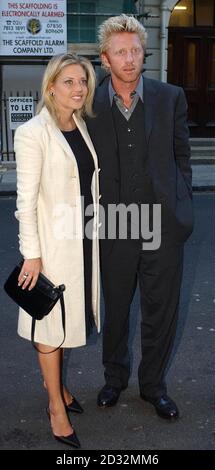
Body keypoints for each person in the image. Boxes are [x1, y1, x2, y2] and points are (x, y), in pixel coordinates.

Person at [86, 14, 193, 420]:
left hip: (162, 225)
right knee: (115, 308)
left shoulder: (170, 97)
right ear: (105, 58)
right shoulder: (90, 100)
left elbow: (182, 154)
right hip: (113, 224)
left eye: (134, 50)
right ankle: (114, 379)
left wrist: (180, 205)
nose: (129, 59)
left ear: (143, 53)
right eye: (120, 52)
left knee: (160, 310)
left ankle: (153, 386)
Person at [14, 53, 100, 448]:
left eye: (82, 81)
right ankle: (55, 407)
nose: (78, 88)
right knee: (49, 326)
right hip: (50, 247)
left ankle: (60, 388)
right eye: (68, 82)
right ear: (51, 86)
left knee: (64, 322)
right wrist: (32, 254)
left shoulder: (79, 124)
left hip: (82, 239)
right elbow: (25, 201)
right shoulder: (34, 132)